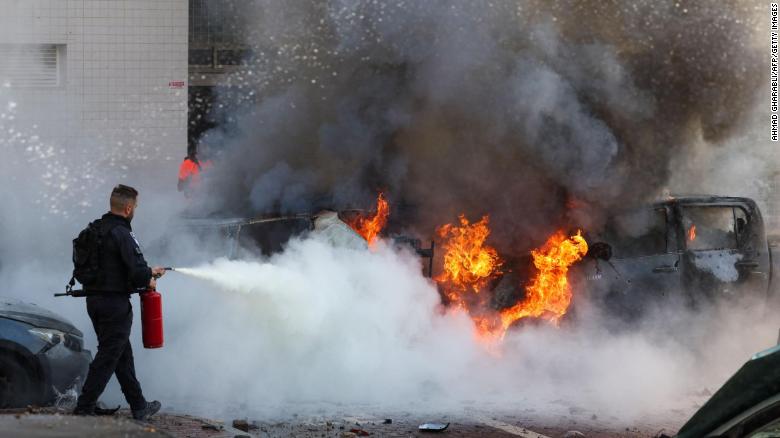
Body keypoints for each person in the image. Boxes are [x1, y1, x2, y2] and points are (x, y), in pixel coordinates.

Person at [73, 184, 166, 420]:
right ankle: (84, 408)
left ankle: (139, 406)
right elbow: (136, 272)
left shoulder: (95, 229)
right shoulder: (122, 233)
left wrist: (146, 274)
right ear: (127, 208)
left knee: (121, 355)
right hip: (114, 305)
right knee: (108, 356)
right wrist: (150, 275)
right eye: (135, 206)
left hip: (94, 301)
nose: (135, 210)